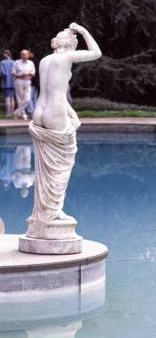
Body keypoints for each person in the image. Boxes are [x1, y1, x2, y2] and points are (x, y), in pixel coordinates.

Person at [27, 23, 101, 239]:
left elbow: (51, 90)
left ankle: (45, 212)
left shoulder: (45, 60)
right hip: (55, 113)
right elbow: (97, 53)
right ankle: (52, 212)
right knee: (63, 163)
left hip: (39, 111)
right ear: (70, 45)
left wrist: (72, 113)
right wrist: (84, 30)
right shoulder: (66, 58)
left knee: (46, 168)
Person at [12, 49, 35, 120]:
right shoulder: (16, 62)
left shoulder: (31, 63)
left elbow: (33, 73)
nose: (24, 56)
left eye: (25, 54)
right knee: (20, 99)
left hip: (27, 81)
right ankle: (22, 114)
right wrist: (20, 75)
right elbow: (13, 72)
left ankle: (16, 112)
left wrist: (28, 74)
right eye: (22, 54)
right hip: (19, 81)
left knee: (27, 99)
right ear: (20, 55)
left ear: (28, 55)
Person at [0, 50, 15, 117]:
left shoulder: (2, 62)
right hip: (13, 82)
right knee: (12, 98)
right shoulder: (14, 62)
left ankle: (8, 113)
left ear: (5, 54)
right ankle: (12, 113)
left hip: (6, 83)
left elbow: (3, 73)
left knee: (7, 98)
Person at [27, 50, 40, 115]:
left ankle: (31, 110)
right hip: (36, 82)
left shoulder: (31, 61)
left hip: (32, 82)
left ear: (31, 53)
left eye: (28, 53)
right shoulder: (37, 61)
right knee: (34, 97)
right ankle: (35, 110)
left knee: (29, 97)